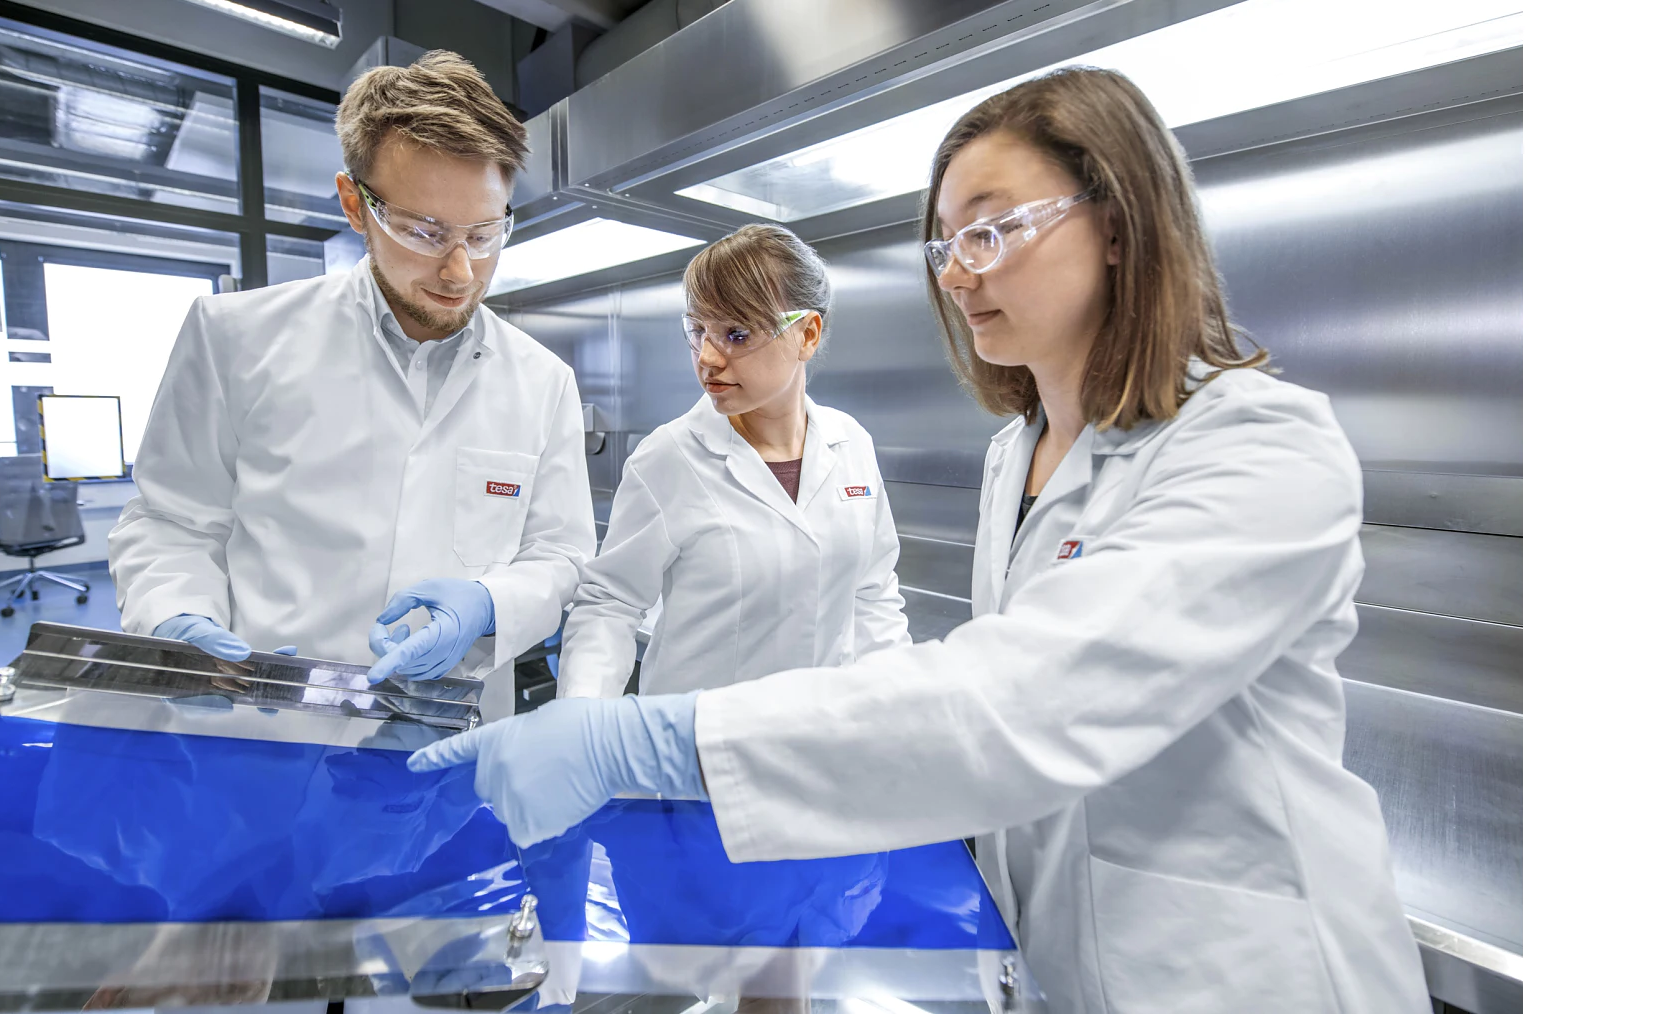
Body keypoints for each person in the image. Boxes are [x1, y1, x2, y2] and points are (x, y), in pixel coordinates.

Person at [408, 66, 1429, 1010]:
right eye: (945, 244)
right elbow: (625, 606)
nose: (957, 273)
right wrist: (607, 723)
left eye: (993, 229)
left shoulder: (1260, 444)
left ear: (1119, 224)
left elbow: (1023, 699)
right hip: (1035, 942)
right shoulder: (1016, 454)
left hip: (1245, 971)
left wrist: (635, 741)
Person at [109, 51, 596, 719]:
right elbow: (171, 521)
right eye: (425, 231)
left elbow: (561, 553)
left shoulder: (543, 380)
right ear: (355, 205)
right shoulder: (234, 337)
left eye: (485, 233)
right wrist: (175, 615)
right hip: (272, 723)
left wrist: (489, 605)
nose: (461, 271)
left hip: (455, 731)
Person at [555, 224, 911, 699]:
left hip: (821, 732)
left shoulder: (851, 444)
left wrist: (898, 702)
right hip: (697, 736)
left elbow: (872, 594)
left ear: (806, 334)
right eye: (698, 330)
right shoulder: (669, 457)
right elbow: (610, 605)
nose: (707, 357)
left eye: (736, 334)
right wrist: (580, 717)